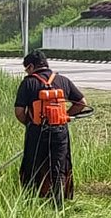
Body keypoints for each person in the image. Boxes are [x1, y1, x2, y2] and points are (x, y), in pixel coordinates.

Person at [13, 50, 89, 205]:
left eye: (27, 69)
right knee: (59, 167)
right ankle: (58, 204)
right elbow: (82, 103)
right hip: (60, 131)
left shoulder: (28, 82)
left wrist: (30, 124)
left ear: (32, 66)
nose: (27, 72)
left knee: (32, 165)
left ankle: (31, 202)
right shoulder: (62, 80)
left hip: (37, 131)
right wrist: (64, 116)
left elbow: (19, 112)